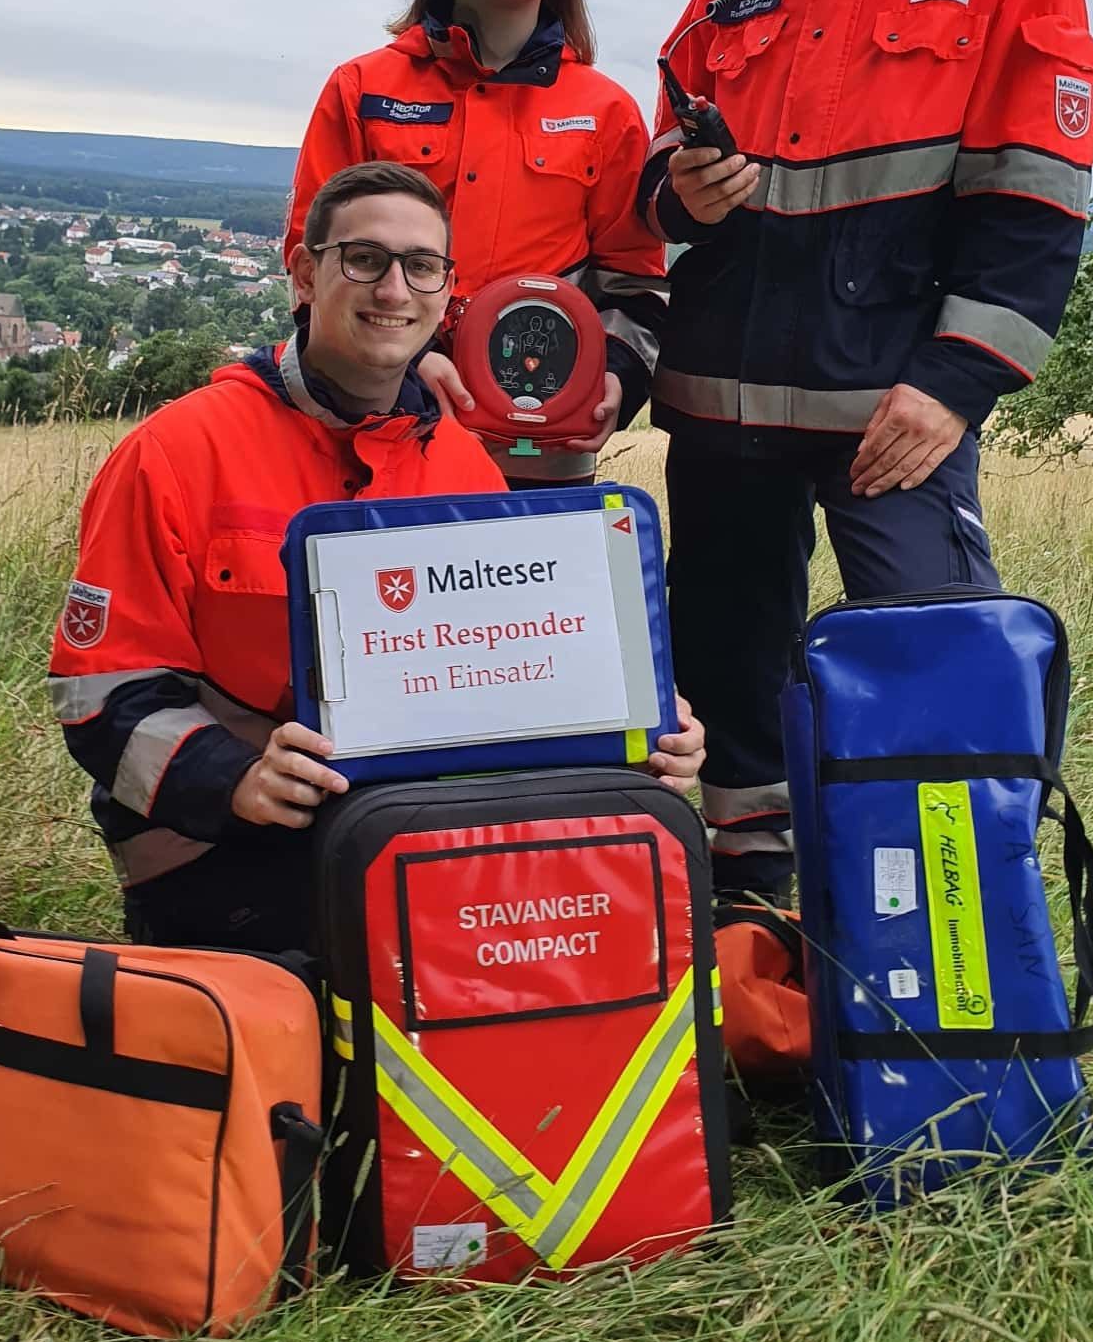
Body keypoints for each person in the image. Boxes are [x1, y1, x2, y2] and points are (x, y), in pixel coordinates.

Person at [638, 0, 1093, 902]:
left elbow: (1038, 187)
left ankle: (953, 927)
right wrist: (675, 189)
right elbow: (653, 172)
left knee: (943, 664)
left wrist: (954, 383)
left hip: (891, 408)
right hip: (722, 405)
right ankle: (754, 916)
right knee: (729, 670)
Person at [50, 162, 706, 951]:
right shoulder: (175, 452)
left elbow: (510, 675)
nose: (394, 289)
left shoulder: (464, 468)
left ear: (444, 294)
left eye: (421, 266)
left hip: (415, 830)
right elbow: (99, 691)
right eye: (364, 259)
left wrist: (641, 728)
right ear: (305, 273)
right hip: (222, 847)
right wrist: (238, 780)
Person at [285, 0, 667, 486]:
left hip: (542, 457)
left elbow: (637, 283)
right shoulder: (363, 90)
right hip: (377, 439)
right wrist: (400, 371)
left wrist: (617, 379)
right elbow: (313, 267)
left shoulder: (605, 112)